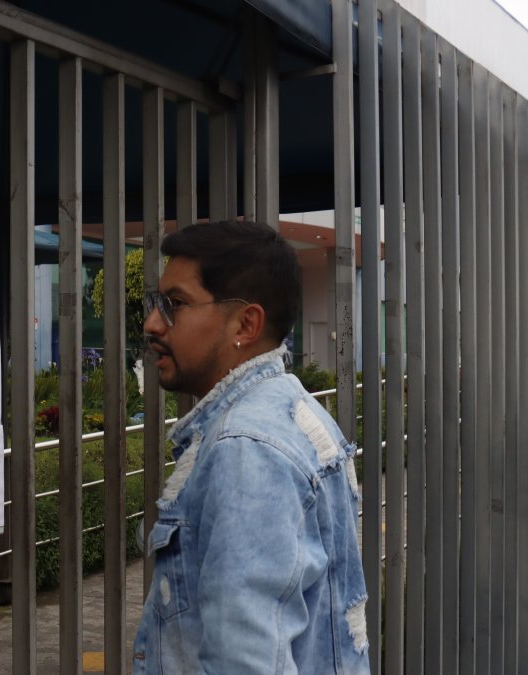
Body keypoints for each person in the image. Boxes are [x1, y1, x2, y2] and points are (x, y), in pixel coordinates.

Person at [133, 220, 369, 674]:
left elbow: (245, 661)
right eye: (155, 303)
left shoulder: (246, 447)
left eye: (175, 304)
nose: (152, 322)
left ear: (246, 323)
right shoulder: (293, 410)